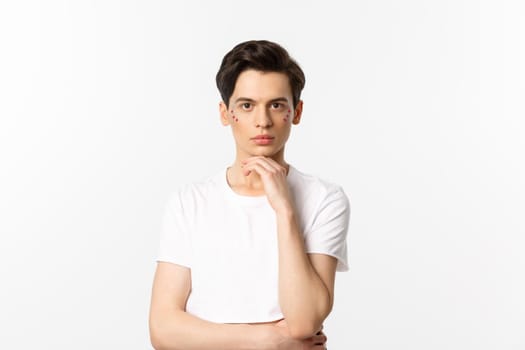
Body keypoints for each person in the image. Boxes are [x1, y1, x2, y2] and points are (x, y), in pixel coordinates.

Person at [149, 40, 350, 350]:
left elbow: (303, 321)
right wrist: (268, 339)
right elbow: (162, 330)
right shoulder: (189, 203)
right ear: (226, 113)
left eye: (276, 104)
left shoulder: (325, 199)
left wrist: (285, 210)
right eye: (247, 105)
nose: (262, 120)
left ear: (296, 112)